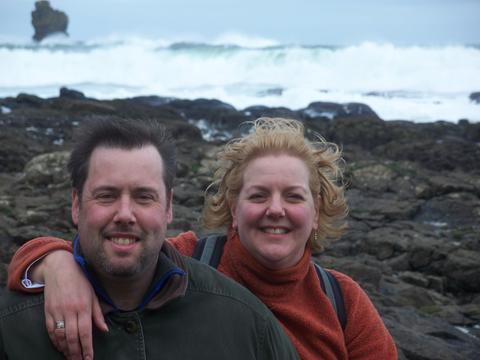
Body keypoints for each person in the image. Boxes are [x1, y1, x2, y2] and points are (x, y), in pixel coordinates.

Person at [8, 117, 398, 360]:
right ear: (233, 207)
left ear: (316, 211)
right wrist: (56, 263)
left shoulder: (341, 301)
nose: (275, 210)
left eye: (293, 196)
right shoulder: (189, 261)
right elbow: (120, 251)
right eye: (258, 195)